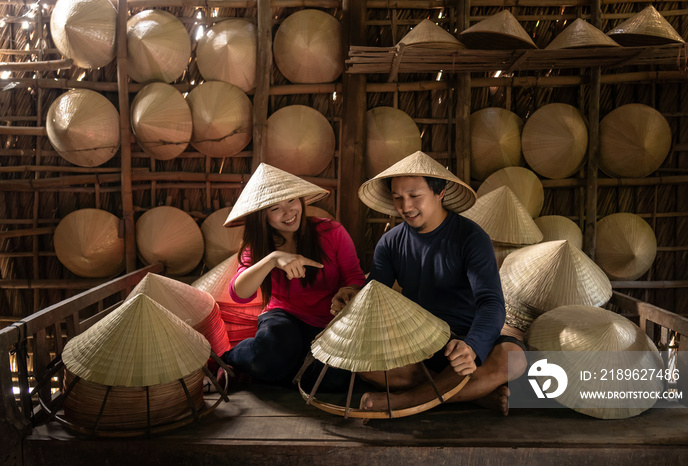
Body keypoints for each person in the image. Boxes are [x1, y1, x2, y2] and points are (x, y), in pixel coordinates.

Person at [333, 151, 527, 415]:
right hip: (413, 341)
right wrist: (351, 295)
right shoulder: (390, 243)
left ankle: (398, 402)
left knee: (513, 359)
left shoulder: (471, 237)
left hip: (464, 337)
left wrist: (472, 347)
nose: (405, 206)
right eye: (397, 197)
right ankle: (477, 395)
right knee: (358, 362)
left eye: (415, 196)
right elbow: (373, 297)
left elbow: (490, 302)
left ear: (440, 193)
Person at [220, 163, 365, 388]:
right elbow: (239, 294)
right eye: (275, 208)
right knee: (270, 354)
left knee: (337, 380)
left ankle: (277, 373)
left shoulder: (332, 232)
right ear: (262, 216)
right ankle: (229, 360)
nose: (288, 212)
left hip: (331, 322)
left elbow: (354, 278)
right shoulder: (257, 247)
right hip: (283, 321)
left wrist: (348, 292)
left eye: (291, 201)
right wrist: (272, 259)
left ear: (301, 201)